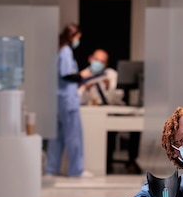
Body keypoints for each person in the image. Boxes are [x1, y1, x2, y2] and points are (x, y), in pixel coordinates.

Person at [78, 49, 142, 174]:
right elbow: (79, 99)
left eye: (102, 62)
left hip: (112, 109)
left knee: (134, 126)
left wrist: (109, 88)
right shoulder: (83, 75)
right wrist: (86, 89)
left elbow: (119, 96)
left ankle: (131, 160)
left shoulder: (111, 74)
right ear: (90, 59)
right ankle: (107, 163)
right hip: (94, 115)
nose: (99, 64)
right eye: (97, 60)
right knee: (107, 133)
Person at [45, 23, 93, 178]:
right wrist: (81, 76)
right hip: (67, 100)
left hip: (58, 99)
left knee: (56, 136)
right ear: (72, 36)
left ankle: (51, 169)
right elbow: (66, 74)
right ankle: (76, 170)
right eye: (78, 37)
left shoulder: (59, 50)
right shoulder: (66, 51)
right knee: (73, 135)